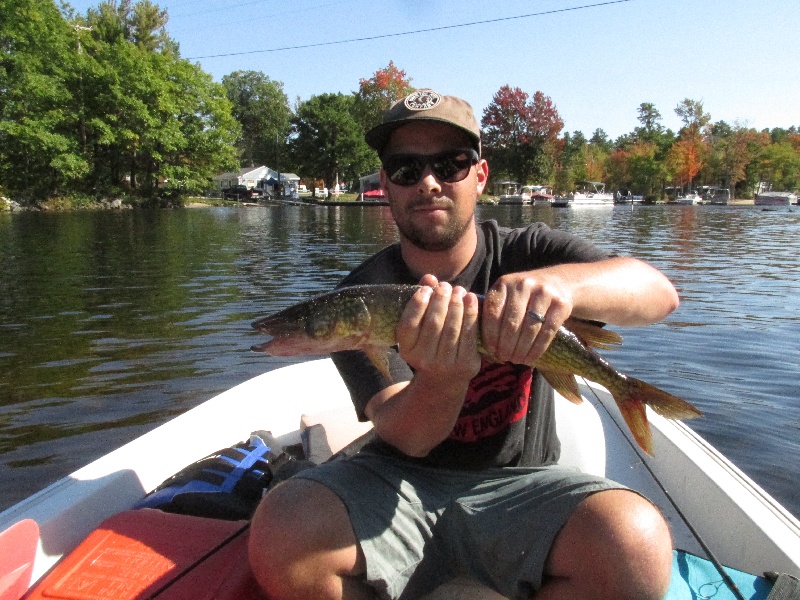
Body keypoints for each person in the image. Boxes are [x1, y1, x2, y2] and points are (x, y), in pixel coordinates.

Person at [248, 89, 679, 600]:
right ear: (385, 184)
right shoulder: (359, 299)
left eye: (451, 164)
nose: (428, 183)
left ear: (479, 175)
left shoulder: (531, 251)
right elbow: (408, 438)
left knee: (637, 544)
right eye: (406, 170)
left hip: (522, 485)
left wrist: (566, 286)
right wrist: (445, 378)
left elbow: (659, 294)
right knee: (281, 528)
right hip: (396, 484)